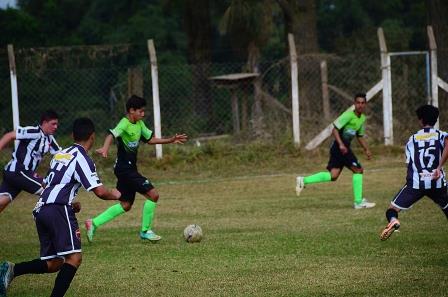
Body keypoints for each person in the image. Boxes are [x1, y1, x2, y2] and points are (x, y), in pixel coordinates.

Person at [0, 117, 120, 297]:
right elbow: (101, 192)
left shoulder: (60, 154)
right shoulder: (82, 158)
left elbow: (52, 184)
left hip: (42, 209)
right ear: (92, 137)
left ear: (72, 135)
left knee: (54, 262)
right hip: (57, 209)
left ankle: (13, 269)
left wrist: (71, 204)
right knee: (74, 258)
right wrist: (116, 194)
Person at [85, 95, 187, 243]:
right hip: (125, 169)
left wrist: (170, 140)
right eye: (140, 111)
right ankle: (145, 231)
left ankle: (93, 223)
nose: (143, 114)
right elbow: (111, 135)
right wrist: (105, 148)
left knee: (126, 205)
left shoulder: (139, 124)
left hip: (128, 169)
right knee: (153, 195)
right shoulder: (124, 123)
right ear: (131, 110)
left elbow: (150, 140)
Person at [295, 93, 376, 209]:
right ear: (354, 104)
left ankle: (303, 180)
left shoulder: (362, 118)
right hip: (340, 148)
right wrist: (341, 145)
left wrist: (366, 149)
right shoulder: (348, 115)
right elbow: (335, 129)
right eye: (358, 103)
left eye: (363, 103)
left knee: (333, 175)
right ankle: (358, 202)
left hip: (342, 149)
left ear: (365, 104)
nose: (360, 105)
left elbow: (360, 135)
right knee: (358, 170)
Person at [380, 105, 448, 241]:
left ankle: (393, 220)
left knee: (391, 209)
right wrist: (439, 166)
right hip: (437, 181)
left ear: (420, 120)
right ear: (435, 120)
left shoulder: (412, 139)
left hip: (416, 184)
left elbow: (409, 163)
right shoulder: (442, 135)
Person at [0, 110, 61, 214]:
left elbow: (60, 155)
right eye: (53, 124)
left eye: (57, 124)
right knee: (48, 190)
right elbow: (9, 136)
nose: (56, 127)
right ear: (45, 123)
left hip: (19, 175)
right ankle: (66, 211)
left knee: (3, 201)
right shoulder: (34, 132)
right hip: (18, 170)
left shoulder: (50, 139)